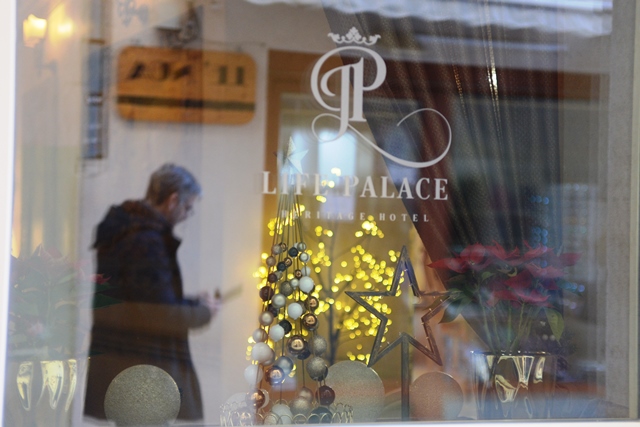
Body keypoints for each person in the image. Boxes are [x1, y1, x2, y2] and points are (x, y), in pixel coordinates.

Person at [84, 163, 218, 422]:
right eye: (187, 207)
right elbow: (160, 314)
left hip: (121, 360)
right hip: (143, 368)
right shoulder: (146, 241)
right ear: (173, 200)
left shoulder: (124, 230)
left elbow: (144, 300)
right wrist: (203, 312)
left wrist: (192, 303)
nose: (186, 215)